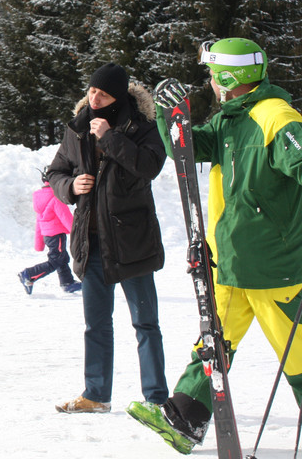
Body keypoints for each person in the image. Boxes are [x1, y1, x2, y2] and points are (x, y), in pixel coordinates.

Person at [129, 38, 302, 455]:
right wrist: (174, 117)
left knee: (297, 359)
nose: (208, 81)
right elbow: (186, 150)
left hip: (272, 270)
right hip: (228, 264)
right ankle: (184, 419)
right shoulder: (230, 120)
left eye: (211, 73)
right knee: (213, 344)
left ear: (230, 77)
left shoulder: (277, 119)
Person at [46, 62, 168, 415]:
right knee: (95, 324)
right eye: (91, 90)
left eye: (102, 93)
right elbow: (55, 171)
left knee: (146, 324)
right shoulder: (78, 128)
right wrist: (70, 186)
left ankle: (157, 399)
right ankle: (96, 395)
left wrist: (109, 138)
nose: (93, 98)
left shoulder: (142, 128)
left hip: (133, 243)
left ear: (119, 96)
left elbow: (148, 167)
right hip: (91, 243)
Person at [18, 169, 81, 294]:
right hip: (56, 234)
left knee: (61, 257)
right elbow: (66, 217)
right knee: (55, 260)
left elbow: (39, 222)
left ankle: (67, 282)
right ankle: (29, 274)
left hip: (48, 235)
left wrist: (39, 243)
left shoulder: (40, 198)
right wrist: (78, 232)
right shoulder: (55, 196)